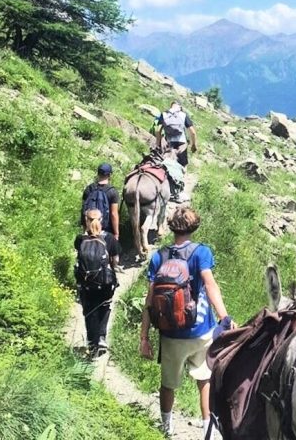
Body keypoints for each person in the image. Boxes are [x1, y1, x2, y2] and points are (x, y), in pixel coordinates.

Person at [139, 207, 233, 439]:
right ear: (194, 227)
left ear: (172, 227)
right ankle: (208, 432)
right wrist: (224, 317)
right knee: (204, 379)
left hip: (171, 334)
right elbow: (210, 285)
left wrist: (144, 337)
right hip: (201, 331)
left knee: (168, 384)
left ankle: (166, 428)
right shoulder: (201, 252)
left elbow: (150, 300)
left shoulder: (159, 256)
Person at [74, 209, 121, 357]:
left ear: (86, 220)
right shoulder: (109, 238)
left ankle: (91, 342)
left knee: (89, 311)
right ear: (101, 220)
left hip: (86, 283)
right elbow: (115, 260)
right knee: (104, 307)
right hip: (105, 283)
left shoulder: (80, 239)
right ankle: (101, 337)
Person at [81, 163, 120, 239]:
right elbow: (113, 214)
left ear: (98, 173)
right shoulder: (112, 192)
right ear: (110, 175)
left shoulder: (88, 189)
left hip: (89, 229)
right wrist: (116, 233)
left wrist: (85, 230)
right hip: (106, 230)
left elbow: (83, 210)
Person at [155, 101, 198, 169]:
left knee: (163, 166)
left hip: (168, 144)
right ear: (180, 107)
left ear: (171, 106)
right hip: (181, 144)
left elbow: (157, 130)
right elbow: (193, 132)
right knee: (182, 167)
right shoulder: (183, 115)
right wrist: (193, 145)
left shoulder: (164, 114)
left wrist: (157, 145)